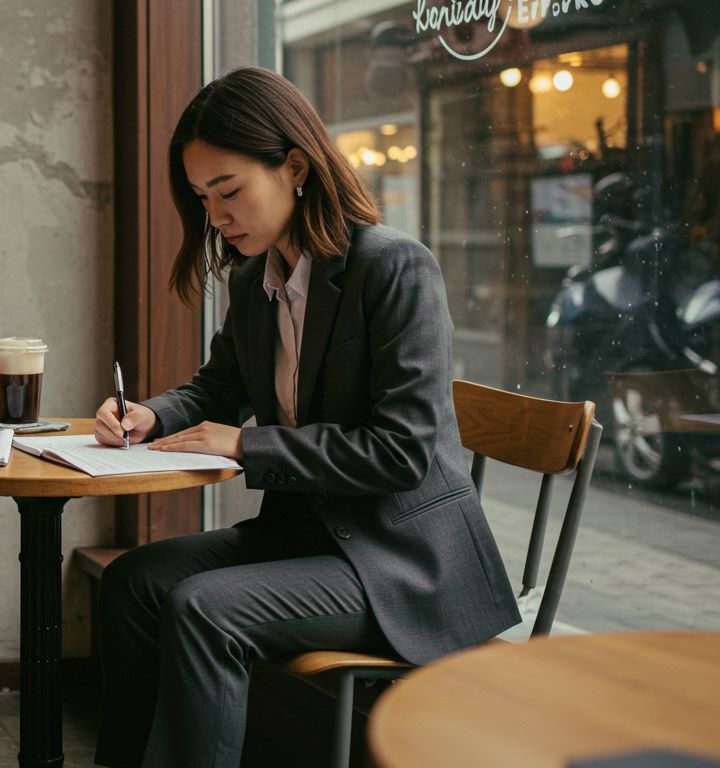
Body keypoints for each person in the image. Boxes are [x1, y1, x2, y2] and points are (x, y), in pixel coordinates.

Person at [90, 67, 521, 768]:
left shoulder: (393, 267)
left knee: (205, 608)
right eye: (203, 199)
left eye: (229, 191)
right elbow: (217, 387)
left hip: (402, 566)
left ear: (294, 166)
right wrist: (149, 415)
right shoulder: (253, 280)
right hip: (310, 540)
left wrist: (248, 444)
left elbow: (401, 452)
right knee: (134, 582)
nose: (217, 216)